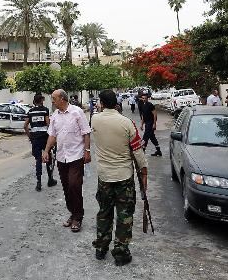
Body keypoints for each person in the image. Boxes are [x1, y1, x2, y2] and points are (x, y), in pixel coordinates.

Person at [91, 90, 148, 266]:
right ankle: (121, 253)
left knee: (104, 213)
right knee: (124, 216)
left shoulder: (95, 120)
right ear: (116, 103)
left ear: (101, 102)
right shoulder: (127, 123)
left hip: (105, 177)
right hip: (124, 176)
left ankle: (101, 248)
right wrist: (144, 171)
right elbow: (138, 153)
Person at [43, 89, 92, 233]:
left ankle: (78, 217)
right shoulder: (54, 116)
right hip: (61, 156)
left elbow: (86, 132)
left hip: (76, 156)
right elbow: (52, 135)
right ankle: (73, 213)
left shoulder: (77, 112)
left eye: (54, 98)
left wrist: (87, 151)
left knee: (74, 185)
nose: (52, 101)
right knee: (66, 187)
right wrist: (46, 151)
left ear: (62, 99)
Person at [24, 93, 57, 191]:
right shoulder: (45, 110)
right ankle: (50, 179)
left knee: (38, 160)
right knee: (48, 157)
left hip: (35, 138)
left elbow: (25, 126)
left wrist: (30, 137)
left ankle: (38, 183)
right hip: (45, 137)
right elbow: (48, 124)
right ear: (42, 100)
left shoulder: (30, 112)